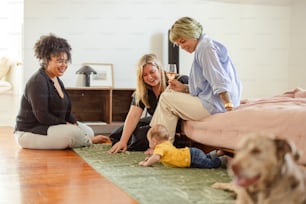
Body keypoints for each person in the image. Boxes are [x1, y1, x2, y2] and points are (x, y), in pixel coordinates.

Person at [150, 17, 242, 141]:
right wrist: (184, 88)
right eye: (178, 44)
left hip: (216, 105)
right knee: (170, 92)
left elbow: (219, 80)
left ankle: (160, 145)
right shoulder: (206, 44)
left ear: (191, 34)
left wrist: (229, 108)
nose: (181, 47)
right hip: (214, 101)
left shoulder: (205, 48)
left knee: (166, 99)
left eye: (182, 42)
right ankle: (157, 140)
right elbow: (207, 85)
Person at [14, 33, 109, 149]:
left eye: (66, 61)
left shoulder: (57, 80)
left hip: (49, 127)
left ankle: (85, 138)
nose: (64, 65)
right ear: (46, 60)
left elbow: (66, 112)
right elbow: (43, 116)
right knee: (74, 134)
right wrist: (66, 125)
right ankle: (88, 141)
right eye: (59, 61)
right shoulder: (38, 82)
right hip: (30, 132)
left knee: (88, 131)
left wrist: (73, 123)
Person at [108, 53, 188, 154]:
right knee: (118, 133)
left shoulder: (179, 81)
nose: (149, 77)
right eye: (145, 75)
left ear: (159, 68)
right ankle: (125, 143)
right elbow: (133, 115)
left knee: (141, 135)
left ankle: (172, 142)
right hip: (154, 121)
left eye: (152, 72)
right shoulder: (144, 90)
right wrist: (123, 141)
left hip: (172, 123)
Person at [138, 124, 226, 168]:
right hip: (191, 153)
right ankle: (216, 153)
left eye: (149, 141)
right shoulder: (167, 144)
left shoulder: (159, 148)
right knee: (205, 158)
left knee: (208, 164)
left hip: (190, 158)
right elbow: (162, 157)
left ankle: (223, 159)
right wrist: (150, 158)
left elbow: (156, 158)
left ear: (154, 141)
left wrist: (147, 163)